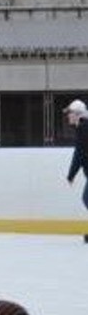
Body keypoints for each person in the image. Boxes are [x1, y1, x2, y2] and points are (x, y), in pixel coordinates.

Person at [63, 98, 88, 243]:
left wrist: (71, 175)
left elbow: (79, 154)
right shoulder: (83, 128)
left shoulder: (84, 129)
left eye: (70, 113)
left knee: (87, 198)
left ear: (78, 114)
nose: (68, 116)